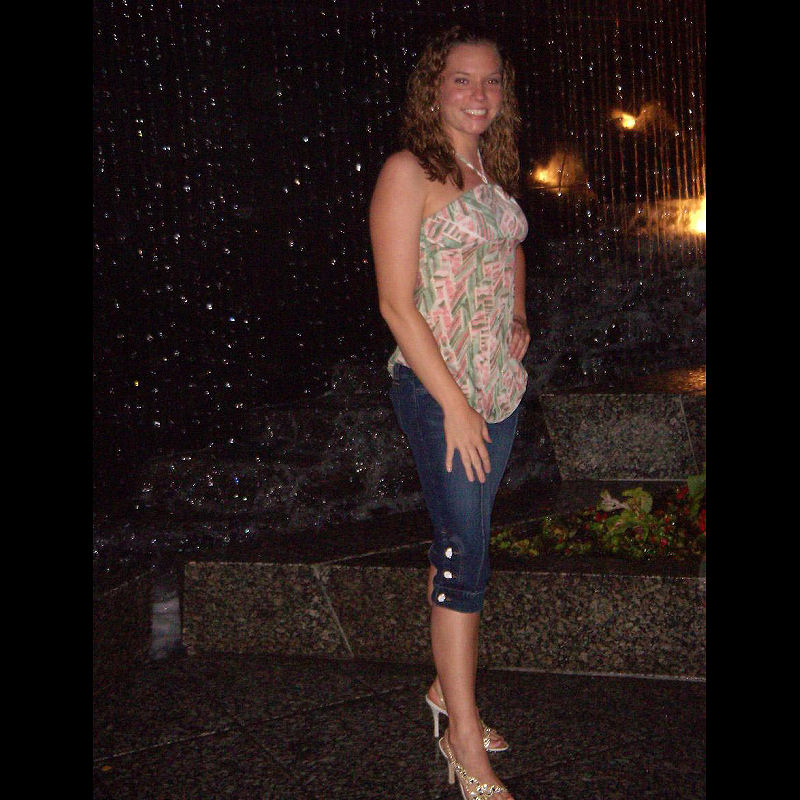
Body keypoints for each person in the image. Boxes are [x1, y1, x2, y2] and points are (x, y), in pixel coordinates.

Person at [370, 25, 530, 800]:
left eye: (491, 80)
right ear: (434, 88)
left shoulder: (488, 171)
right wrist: (457, 408)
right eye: (462, 79)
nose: (478, 94)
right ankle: (463, 740)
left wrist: (519, 313)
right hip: (441, 394)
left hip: (499, 388)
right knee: (466, 559)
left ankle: (444, 687)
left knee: (460, 538)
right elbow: (396, 305)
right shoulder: (410, 171)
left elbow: (510, 246)